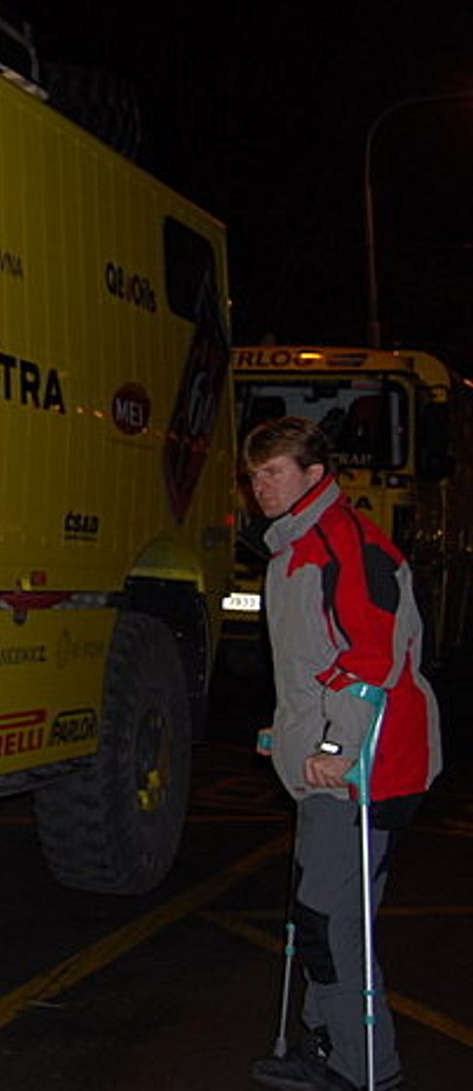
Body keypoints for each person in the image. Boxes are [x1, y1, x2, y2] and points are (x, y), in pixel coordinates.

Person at [245, 417, 442, 1091]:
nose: (260, 487)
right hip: (329, 764)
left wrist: (334, 744)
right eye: (254, 475)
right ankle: (327, 1046)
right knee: (319, 914)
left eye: (273, 472)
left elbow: (370, 658)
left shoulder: (345, 545)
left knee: (332, 921)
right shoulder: (294, 550)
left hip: (370, 766)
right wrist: (292, 733)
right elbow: (308, 666)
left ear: (314, 475)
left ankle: (366, 1070)